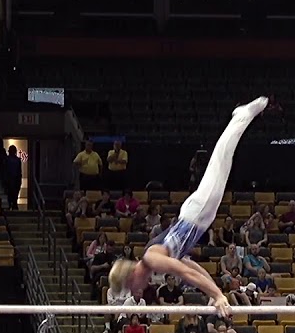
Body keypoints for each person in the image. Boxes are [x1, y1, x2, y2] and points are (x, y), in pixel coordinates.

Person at [108, 97, 268, 317]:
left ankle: (241, 116)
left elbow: (185, 272)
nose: (136, 290)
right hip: (199, 217)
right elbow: (191, 267)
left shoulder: (152, 258)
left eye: (131, 286)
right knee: (222, 162)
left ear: (130, 276)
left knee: (221, 160)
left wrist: (217, 295)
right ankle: (240, 118)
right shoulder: (156, 260)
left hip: (195, 213)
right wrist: (214, 291)